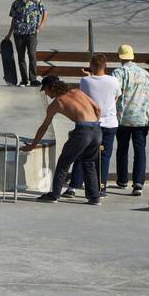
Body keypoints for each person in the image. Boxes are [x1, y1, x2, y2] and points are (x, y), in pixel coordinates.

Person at [22, 76, 103, 204]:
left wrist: (33, 145)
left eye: (46, 90)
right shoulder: (77, 92)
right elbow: (97, 109)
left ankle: (54, 195)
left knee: (63, 163)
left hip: (83, 131)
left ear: (51, 88)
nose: (46, 94)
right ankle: (94, 197)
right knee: (89, 163)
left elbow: (44, 127)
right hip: (97, 130)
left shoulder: (57, 103)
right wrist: (93, 125)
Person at [63, 54, 120, 198]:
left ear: (92, 65)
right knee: (104, 156)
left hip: (91, 123)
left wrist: (89, 75)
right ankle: (101, 188)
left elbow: (85, 95)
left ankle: (73, 187)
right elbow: (116, 97)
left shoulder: (85, 81)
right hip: (110, 123)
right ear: (105, 66)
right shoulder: (114, 81)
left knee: (83, 154)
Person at [113, 43, 149, 197]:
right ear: (132, 56)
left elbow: (113, 93)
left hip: (123, 118)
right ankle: (138, 183)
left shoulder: (119, 72)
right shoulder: (145, 73)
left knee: (122, 149)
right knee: (140, 151)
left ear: (119, 57)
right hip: (142, 119)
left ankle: (122, 180)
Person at [3, 0, 47, 87]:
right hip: (19, 33)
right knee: (21, 57)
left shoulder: (37, 1)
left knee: (32, 55)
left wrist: (41, 25)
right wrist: (9, 34)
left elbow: (45, 12)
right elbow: (13, 19)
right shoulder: (16, 3)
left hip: (31, 33)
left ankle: (33, 79)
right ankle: (24, 79)